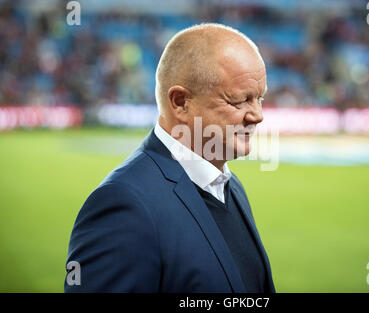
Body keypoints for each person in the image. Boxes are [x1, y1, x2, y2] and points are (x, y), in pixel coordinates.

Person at [64, 23, 275, 293]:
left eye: (259, 98)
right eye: (239, 101)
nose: (257, 115)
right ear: (180, 103)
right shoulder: (125, 204)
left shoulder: (230, 187)